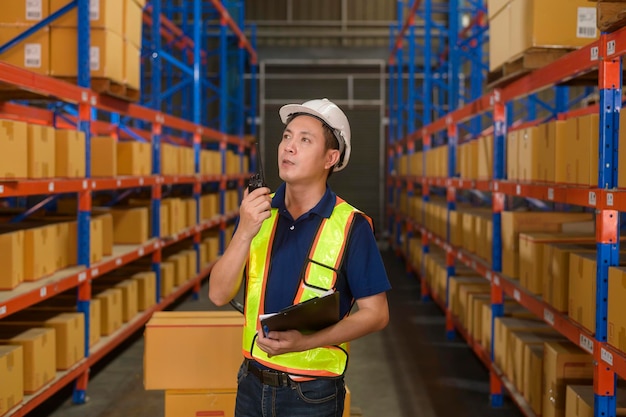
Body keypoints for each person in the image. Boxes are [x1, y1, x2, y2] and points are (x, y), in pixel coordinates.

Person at [209, 98, 391, 417]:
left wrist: (303, 343)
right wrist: (243, 231)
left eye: (305, 140)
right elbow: (218, 294)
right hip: (251, 383)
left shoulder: (351, 225)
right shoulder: (259, 214)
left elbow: (376, 314)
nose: (288, 147)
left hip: (312, 394)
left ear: (330, 158)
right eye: (287, 136)